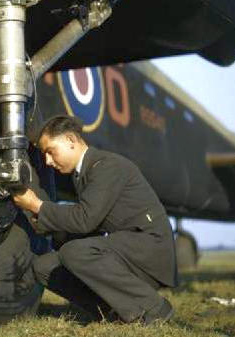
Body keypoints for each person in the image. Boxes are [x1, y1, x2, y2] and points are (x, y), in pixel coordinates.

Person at [13, 116, 178, 324]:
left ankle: (155, 309)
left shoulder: (106, 166)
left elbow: (84, 220)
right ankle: (114, 312)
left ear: (71, 140)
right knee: (44, 267)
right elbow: (86, 228)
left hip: (149, 249)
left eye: (50, 151)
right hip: (127, 247)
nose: (47, 161)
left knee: (74, 252)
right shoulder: (82, 173)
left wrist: (37, 205)